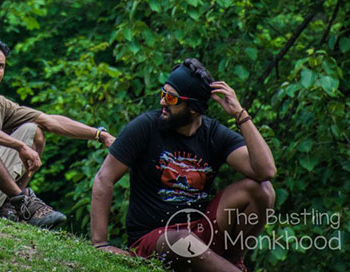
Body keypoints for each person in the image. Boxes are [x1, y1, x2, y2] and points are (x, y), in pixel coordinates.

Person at [90, 58, 276, 271]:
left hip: (198, 230)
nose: (162, 102)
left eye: (171, 98)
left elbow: (266, 170)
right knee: (181, 239)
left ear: (194, 109)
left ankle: (233, 262)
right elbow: (105, 177)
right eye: (163, 93)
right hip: (154, 240)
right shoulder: (145, 127)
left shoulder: (213, 134)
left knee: (262, 190)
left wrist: (240, 114)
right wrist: (100, 243)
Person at [0, 35, 114, 229]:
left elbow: (49, 121)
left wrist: (100, 135)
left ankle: (8, 205)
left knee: (34, 130)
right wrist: (18, 145)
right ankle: (21, 201)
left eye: (0, 66)